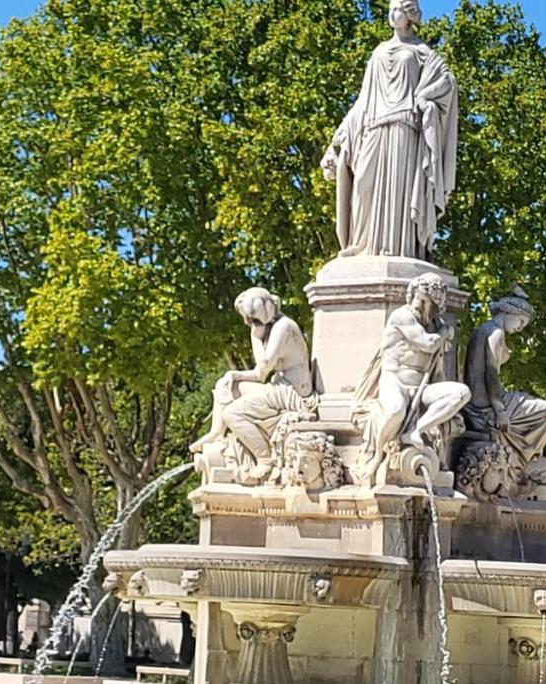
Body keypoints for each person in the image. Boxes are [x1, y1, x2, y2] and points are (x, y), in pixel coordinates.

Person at [320, 0, 458, 260]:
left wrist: (426, 96)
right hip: (373, 126)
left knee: (399, 195)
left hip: (405, 127)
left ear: (409, 15)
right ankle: (361, 244)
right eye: (391, 9)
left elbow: (447, 83)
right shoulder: (379, 51)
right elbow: (363, 100)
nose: (392, 14)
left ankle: (398, 248)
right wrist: (337, 141)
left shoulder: (422, 52)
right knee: (362, 183)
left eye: (398, 9)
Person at [189, 287, 315, 481]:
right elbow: (259, 375)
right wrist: (234, 375)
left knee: (232, 413)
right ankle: (216, 432)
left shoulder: (284, 327)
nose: (246, 323)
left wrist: (255, 338)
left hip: (292, 393)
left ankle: (265, 459)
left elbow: (263, 368)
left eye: (248, 318)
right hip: (279, 386)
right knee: (227, 384)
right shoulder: (274, 327)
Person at [353, 273, 470, 480]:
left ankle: (416, 430)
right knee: (396, 410)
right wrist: (446, 333)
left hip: (422, 387)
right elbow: (427, 343)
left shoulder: (435, 323)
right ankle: (377, 455)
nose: (422, 306)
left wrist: (443, 331)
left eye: (427, 303)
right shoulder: (402, 316)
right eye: (420, 299)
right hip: (395, 380)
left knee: (461, 393)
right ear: (412, 294)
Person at [462, 287, 546, 463]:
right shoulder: (495, 333)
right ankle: (525, 458)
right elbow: (491, 372)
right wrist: (500, 410)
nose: (520, 327)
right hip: (488, 404)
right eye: (521, 321)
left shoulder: (482, 330)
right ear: (509, 312)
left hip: (479, 400)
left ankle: (521, 456)